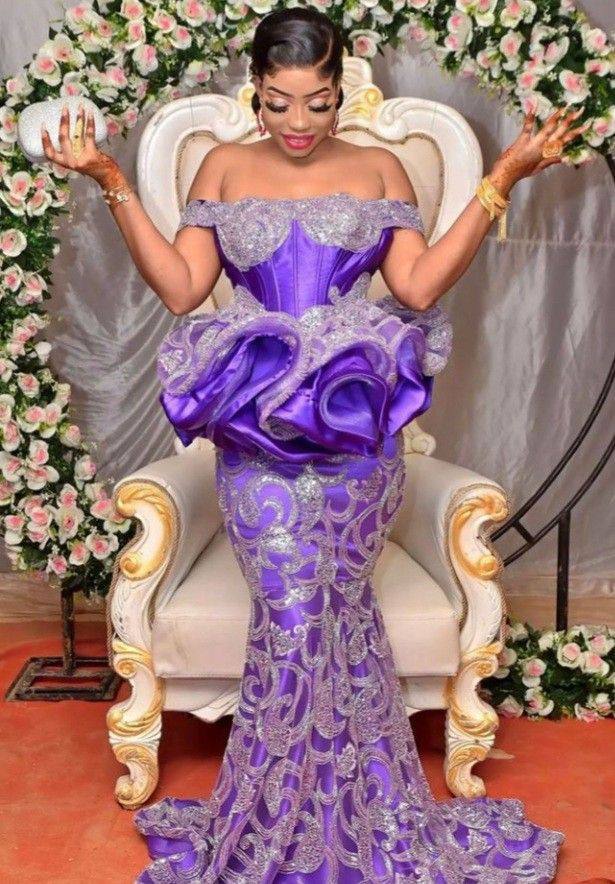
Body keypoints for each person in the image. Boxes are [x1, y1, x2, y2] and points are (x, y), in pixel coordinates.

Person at [41, 7, 589, 882]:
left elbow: (415, 286)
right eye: (278, 101)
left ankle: (357, 819)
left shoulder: (379, 168)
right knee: (290, 621)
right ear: (253, 89)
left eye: (318, 102)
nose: (297, 123)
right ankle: (275, 826)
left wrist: (501, 178)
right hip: (256, 431)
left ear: (342, 91)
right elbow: (181, 289)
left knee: (339, 616)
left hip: (352, 436)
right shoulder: (223, 165)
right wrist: (112, 181)